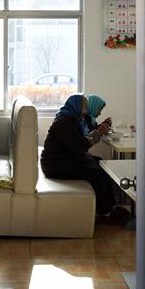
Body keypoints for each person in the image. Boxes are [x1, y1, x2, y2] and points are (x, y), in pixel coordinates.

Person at [40, 93, 127, 223]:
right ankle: (105, 213)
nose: (85, 112)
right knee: (97, 174)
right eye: (84, 108)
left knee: (101, 164)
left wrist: (98, 131)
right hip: (55, 165)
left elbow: (80, 142)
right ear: (76, 107)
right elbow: (79, 146)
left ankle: (111, 207)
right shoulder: (64, 123)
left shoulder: (72, 120)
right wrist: (98, 132)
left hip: (64, 160)